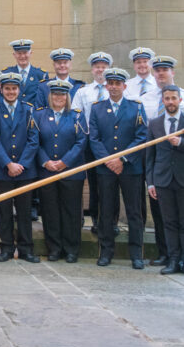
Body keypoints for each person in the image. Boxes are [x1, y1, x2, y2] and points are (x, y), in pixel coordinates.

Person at [88, 67, 148, 269]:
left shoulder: (136, 107)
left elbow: (141, 136)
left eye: (117, 84)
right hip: (106, 169)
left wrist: (122, 159)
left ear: (124, 86)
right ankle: (106, 252)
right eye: (110, 83)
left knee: (134, 212)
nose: (113, 87)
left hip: (130, 168)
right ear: (106, 86)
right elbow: (94, 138)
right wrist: (109, 160)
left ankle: (136, 254)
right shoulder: (97, 108)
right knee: (106, 211)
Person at [146, 85, 184, 278]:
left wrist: (181, 143)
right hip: (163, 180)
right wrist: (151, 182)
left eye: (174, 98)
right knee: (169, 222)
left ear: (180, 100)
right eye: (167, 99)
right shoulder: (154, 124)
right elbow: (150, 156)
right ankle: (173, 260)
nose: (171, 102)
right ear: (162, 101)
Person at [0, 72, 39, 263]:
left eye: (14, 88)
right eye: (7, 88)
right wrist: (8, 164)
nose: (10, 92)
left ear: (19, 90)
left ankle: (26, 249)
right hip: (2, 170)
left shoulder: (29, 110)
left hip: (25, 170)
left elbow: (33, 139)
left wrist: (21, 164)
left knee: (24, 211)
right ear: (1, 90)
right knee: (4, 210)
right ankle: (6, 248)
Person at [35, 79, 88, 263]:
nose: (59, 97)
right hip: (47, 172)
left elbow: (81, 142)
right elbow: (35, 141)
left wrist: (65, 162)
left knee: (71, 212)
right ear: (50, 96)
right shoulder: (39, 115)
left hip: (71, 172)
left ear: (67, 97)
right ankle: (54, 248)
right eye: (55, 94)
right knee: (50, 211)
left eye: (62, 94)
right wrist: (45, 161)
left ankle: (71, 249)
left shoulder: (77, 116)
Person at [72, 51, 114, 235]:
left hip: (112, 141)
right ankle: (96, 219)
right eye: (97, 67)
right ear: (92, 69)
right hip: (90, 142)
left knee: (111, 183)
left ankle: (111, 221)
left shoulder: (116, 89)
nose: (100, 70)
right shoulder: (83, 92)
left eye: (104, 67)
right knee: (95, 182)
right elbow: (76, 116)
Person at [1, 39, 47, 106]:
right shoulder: (6, 74)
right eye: (19, 53)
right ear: (14, 55)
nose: (22, 56)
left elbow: (44, 99)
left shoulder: (41, 75)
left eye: (25, 53)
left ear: (30, 53)